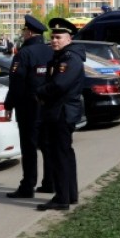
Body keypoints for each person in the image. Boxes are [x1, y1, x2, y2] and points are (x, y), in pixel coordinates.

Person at [34, 18, 85, 211]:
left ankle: (62, 198)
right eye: (52, 37)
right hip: (59, 112)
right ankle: (69, 195)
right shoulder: (62, 56)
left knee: (60, 156)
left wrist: (39, 91)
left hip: (62, 113)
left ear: (69, 38)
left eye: (58, 37)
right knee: (65, 154)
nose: (54, 40)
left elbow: (59, 84)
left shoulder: (69, 59)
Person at [4, 15, 53, 200]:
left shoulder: (24, 54)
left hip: (28, 107)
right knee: (47, 145)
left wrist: (9, 104)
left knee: (29, 148)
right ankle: (50, 182)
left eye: (24, 31)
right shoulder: (50, 52)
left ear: (29, 32)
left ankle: (27, 186)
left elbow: (16, 82)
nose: (23, 34)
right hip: (46, 105)